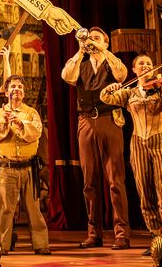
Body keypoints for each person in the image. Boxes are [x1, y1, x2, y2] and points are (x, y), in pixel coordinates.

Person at [101, 54, 162, 258]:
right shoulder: (129, 93)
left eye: (149, 63)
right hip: (138, 142)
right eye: (141, 64)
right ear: (134, 70)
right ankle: (157, 238)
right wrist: (110, 88)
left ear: (154, 69)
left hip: (159, 139)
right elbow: (106, 98)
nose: (145, 66)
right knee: (145, 193)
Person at [60, 26, 130, 249]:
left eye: (96, 38)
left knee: (115, 180)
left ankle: (122, 234)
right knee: (89, 180)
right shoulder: (80, 62)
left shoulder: (111, 60)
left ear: (106, 42)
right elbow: (66, 77)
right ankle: (94, 233)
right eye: (89, 38)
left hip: (110, 119)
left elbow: (122, 75)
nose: (91, 41)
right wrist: (81, 50)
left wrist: (103, 50)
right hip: (86, 120)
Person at [0, 74, 50, 255]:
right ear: (6, 92)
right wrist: (5, 123)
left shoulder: (31, 112)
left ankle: (40, 244)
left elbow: (35, 133)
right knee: (6, 209)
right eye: (13, 87)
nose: (17, 90)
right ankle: (3, 246)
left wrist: (21, 123)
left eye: (20, 87)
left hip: (29, 168)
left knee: (33, 209)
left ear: (23, 92)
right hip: (7, 168)